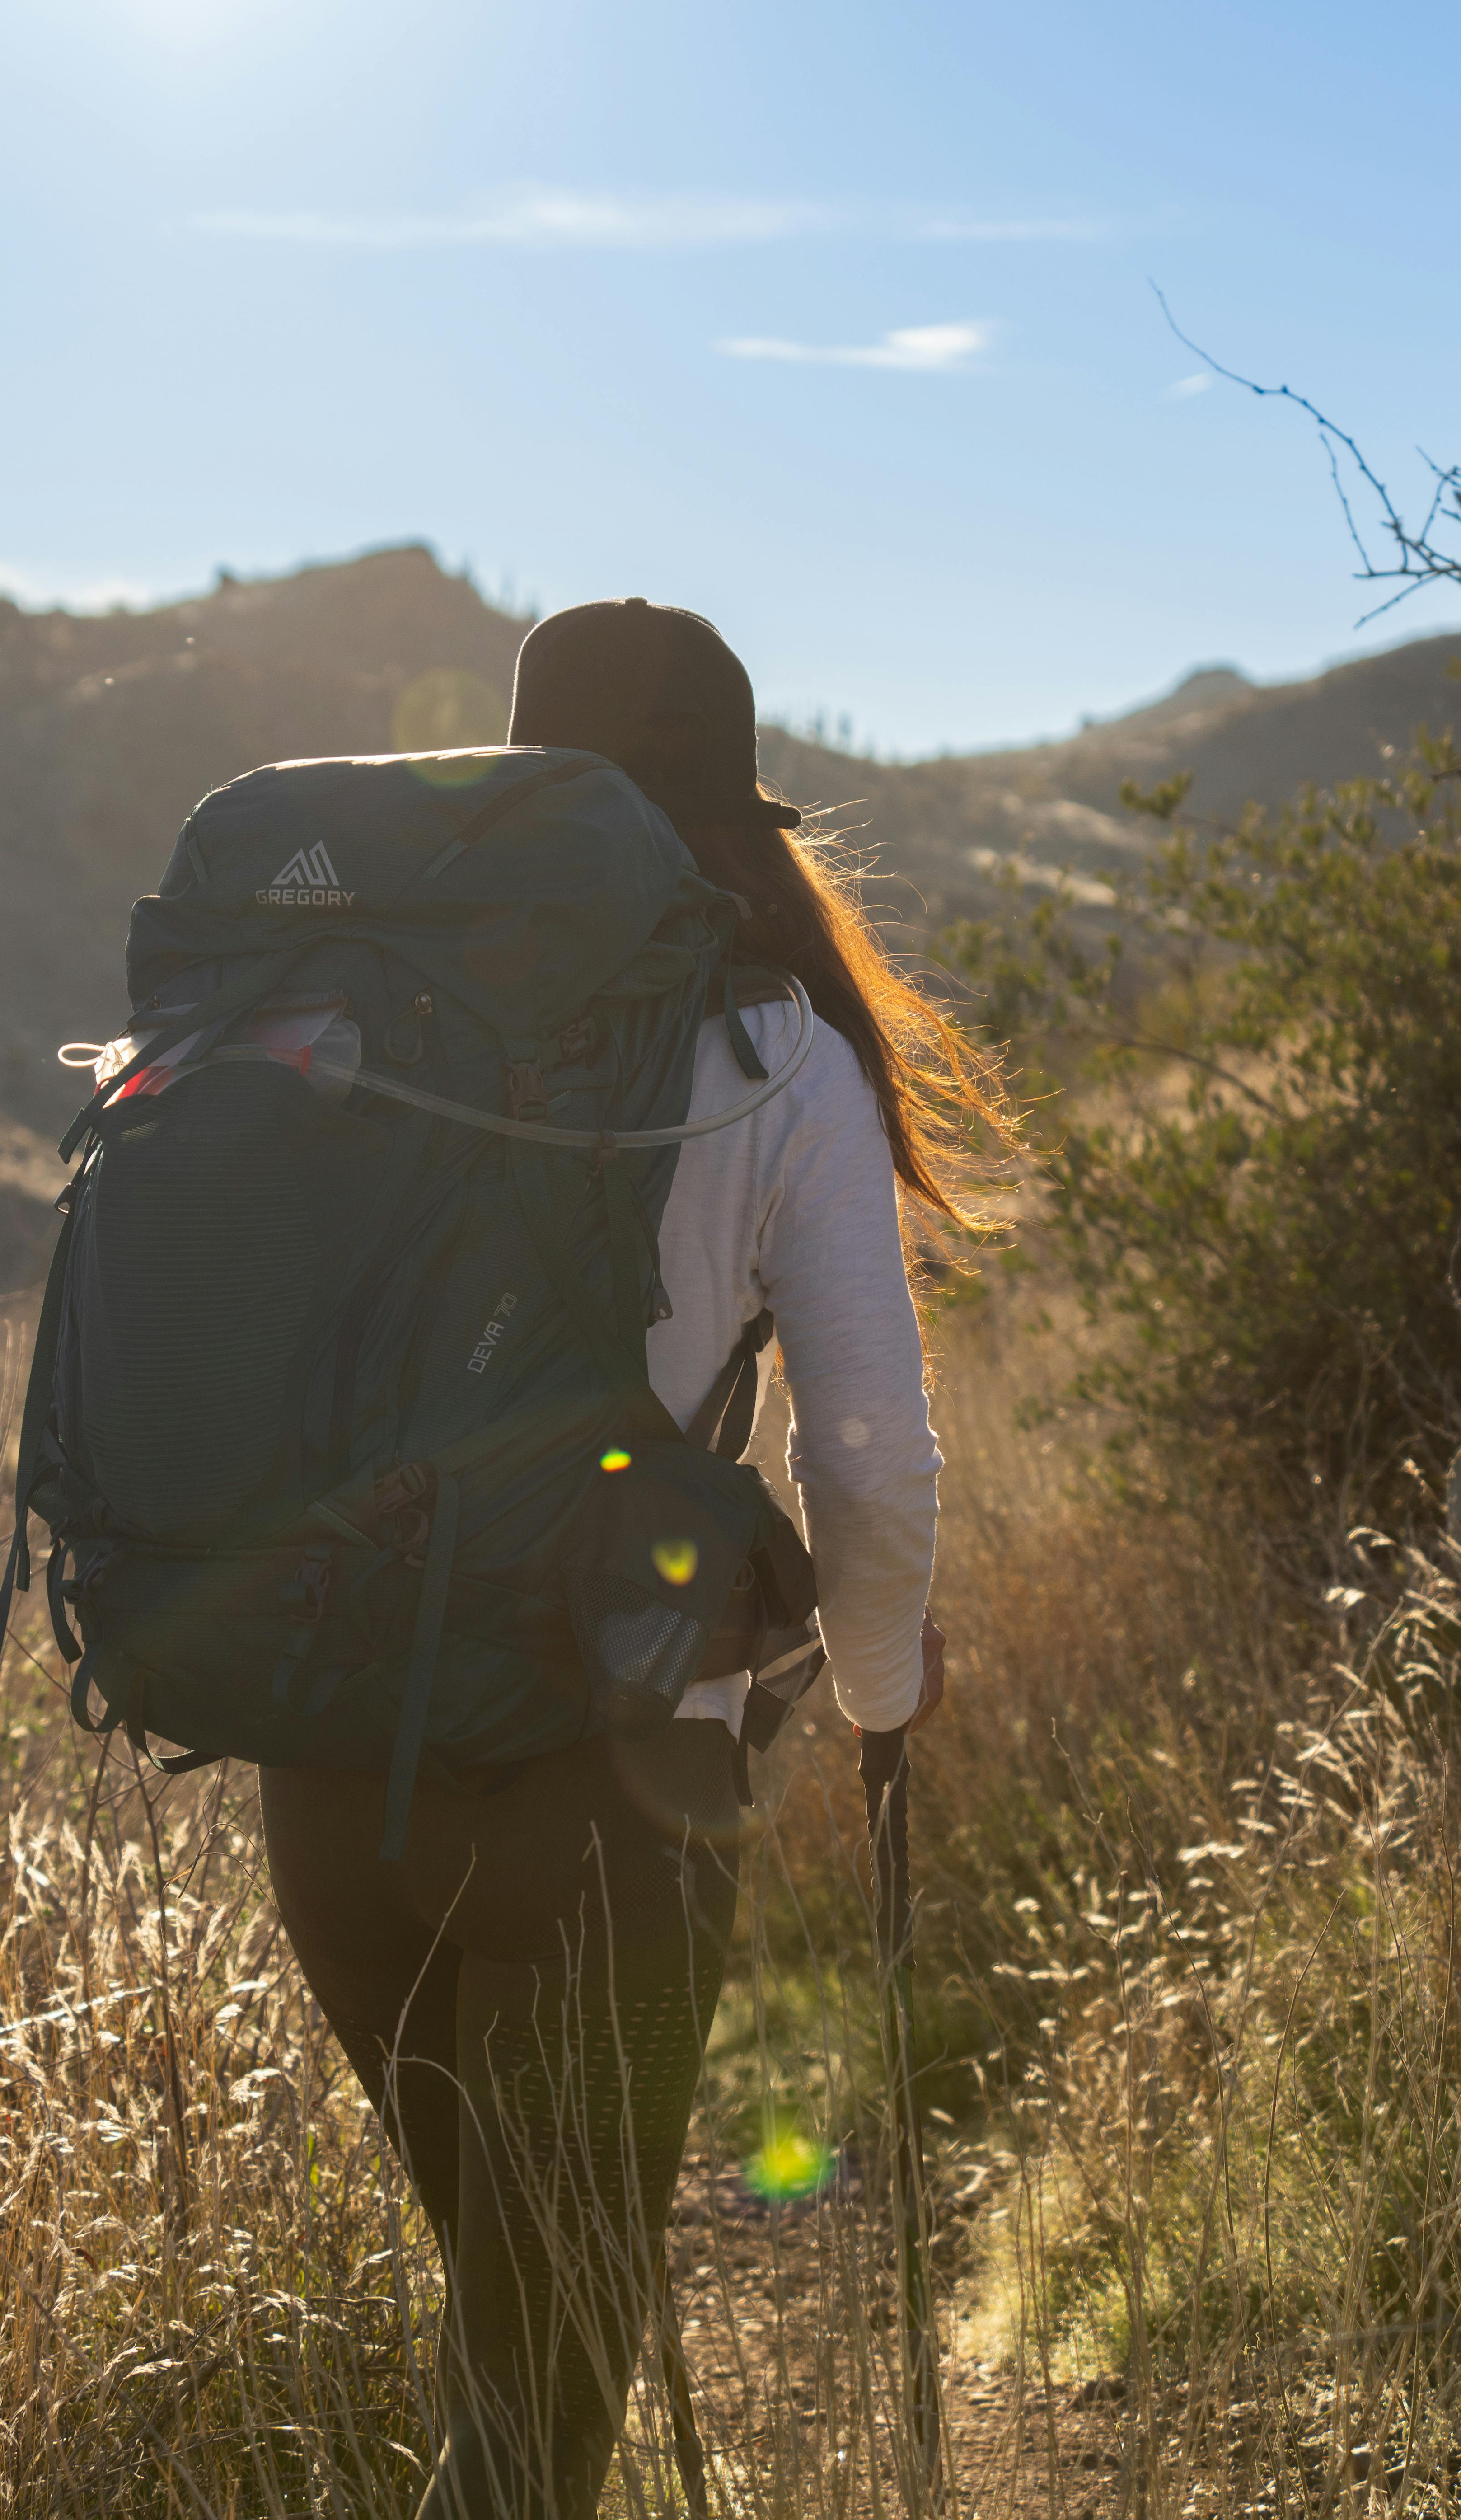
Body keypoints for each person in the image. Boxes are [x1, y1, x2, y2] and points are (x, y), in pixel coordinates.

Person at [254, 597, 1010, 2520]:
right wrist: (874, 1679)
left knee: (509, 2332)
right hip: (610, 1787)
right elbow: (872, 1458)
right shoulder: (776, 1053)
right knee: (539, 2375)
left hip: (339, 1781)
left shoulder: (349, 1012)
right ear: (731, 812)